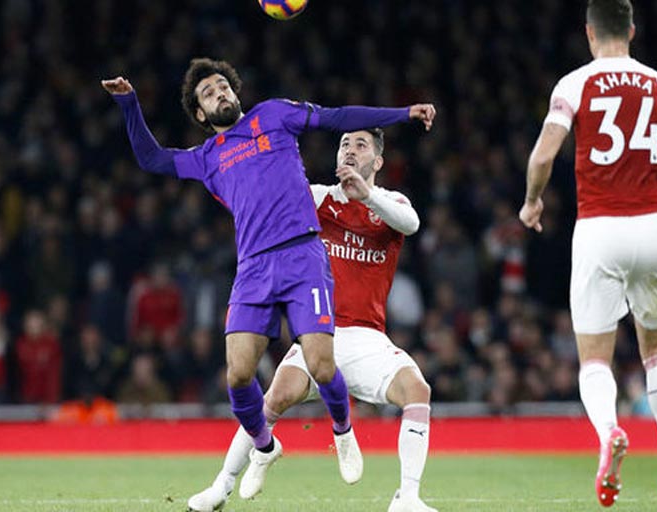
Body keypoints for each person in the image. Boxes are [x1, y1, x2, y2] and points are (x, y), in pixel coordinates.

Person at [102, 58, 436, 503]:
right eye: (209, 93)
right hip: (256, 268)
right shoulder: (214, 160)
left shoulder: (275, 116)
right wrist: (129, 103)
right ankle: (255, 456)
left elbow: (338, 118)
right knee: (242, 378)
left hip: (313, 272)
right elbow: (153, 158)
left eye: (223, 85)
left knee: (334, 368)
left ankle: (350, 439)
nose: (220, 93)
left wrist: (402, 115)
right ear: (200, 113)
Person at [518, 1, 657, 511]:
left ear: (588, 33)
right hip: (651, 228)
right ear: (632, 30)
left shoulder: (574, 84)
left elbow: (543, 154)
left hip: (598, 229)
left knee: (595, 358)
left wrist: (533, 200)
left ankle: (609, 433)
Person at [188, 128, 436, 512]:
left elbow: (411, 224)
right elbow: (269, 197)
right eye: (344, 144)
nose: (350, 150)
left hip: (367, 336)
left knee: (417, 390)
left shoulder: (391, 202)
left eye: (361, 145)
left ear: (378, 161)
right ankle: (222, 485)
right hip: (319, 332)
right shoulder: (318, 198)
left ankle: (408, 498)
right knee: (275, 398)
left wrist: (366, 195)